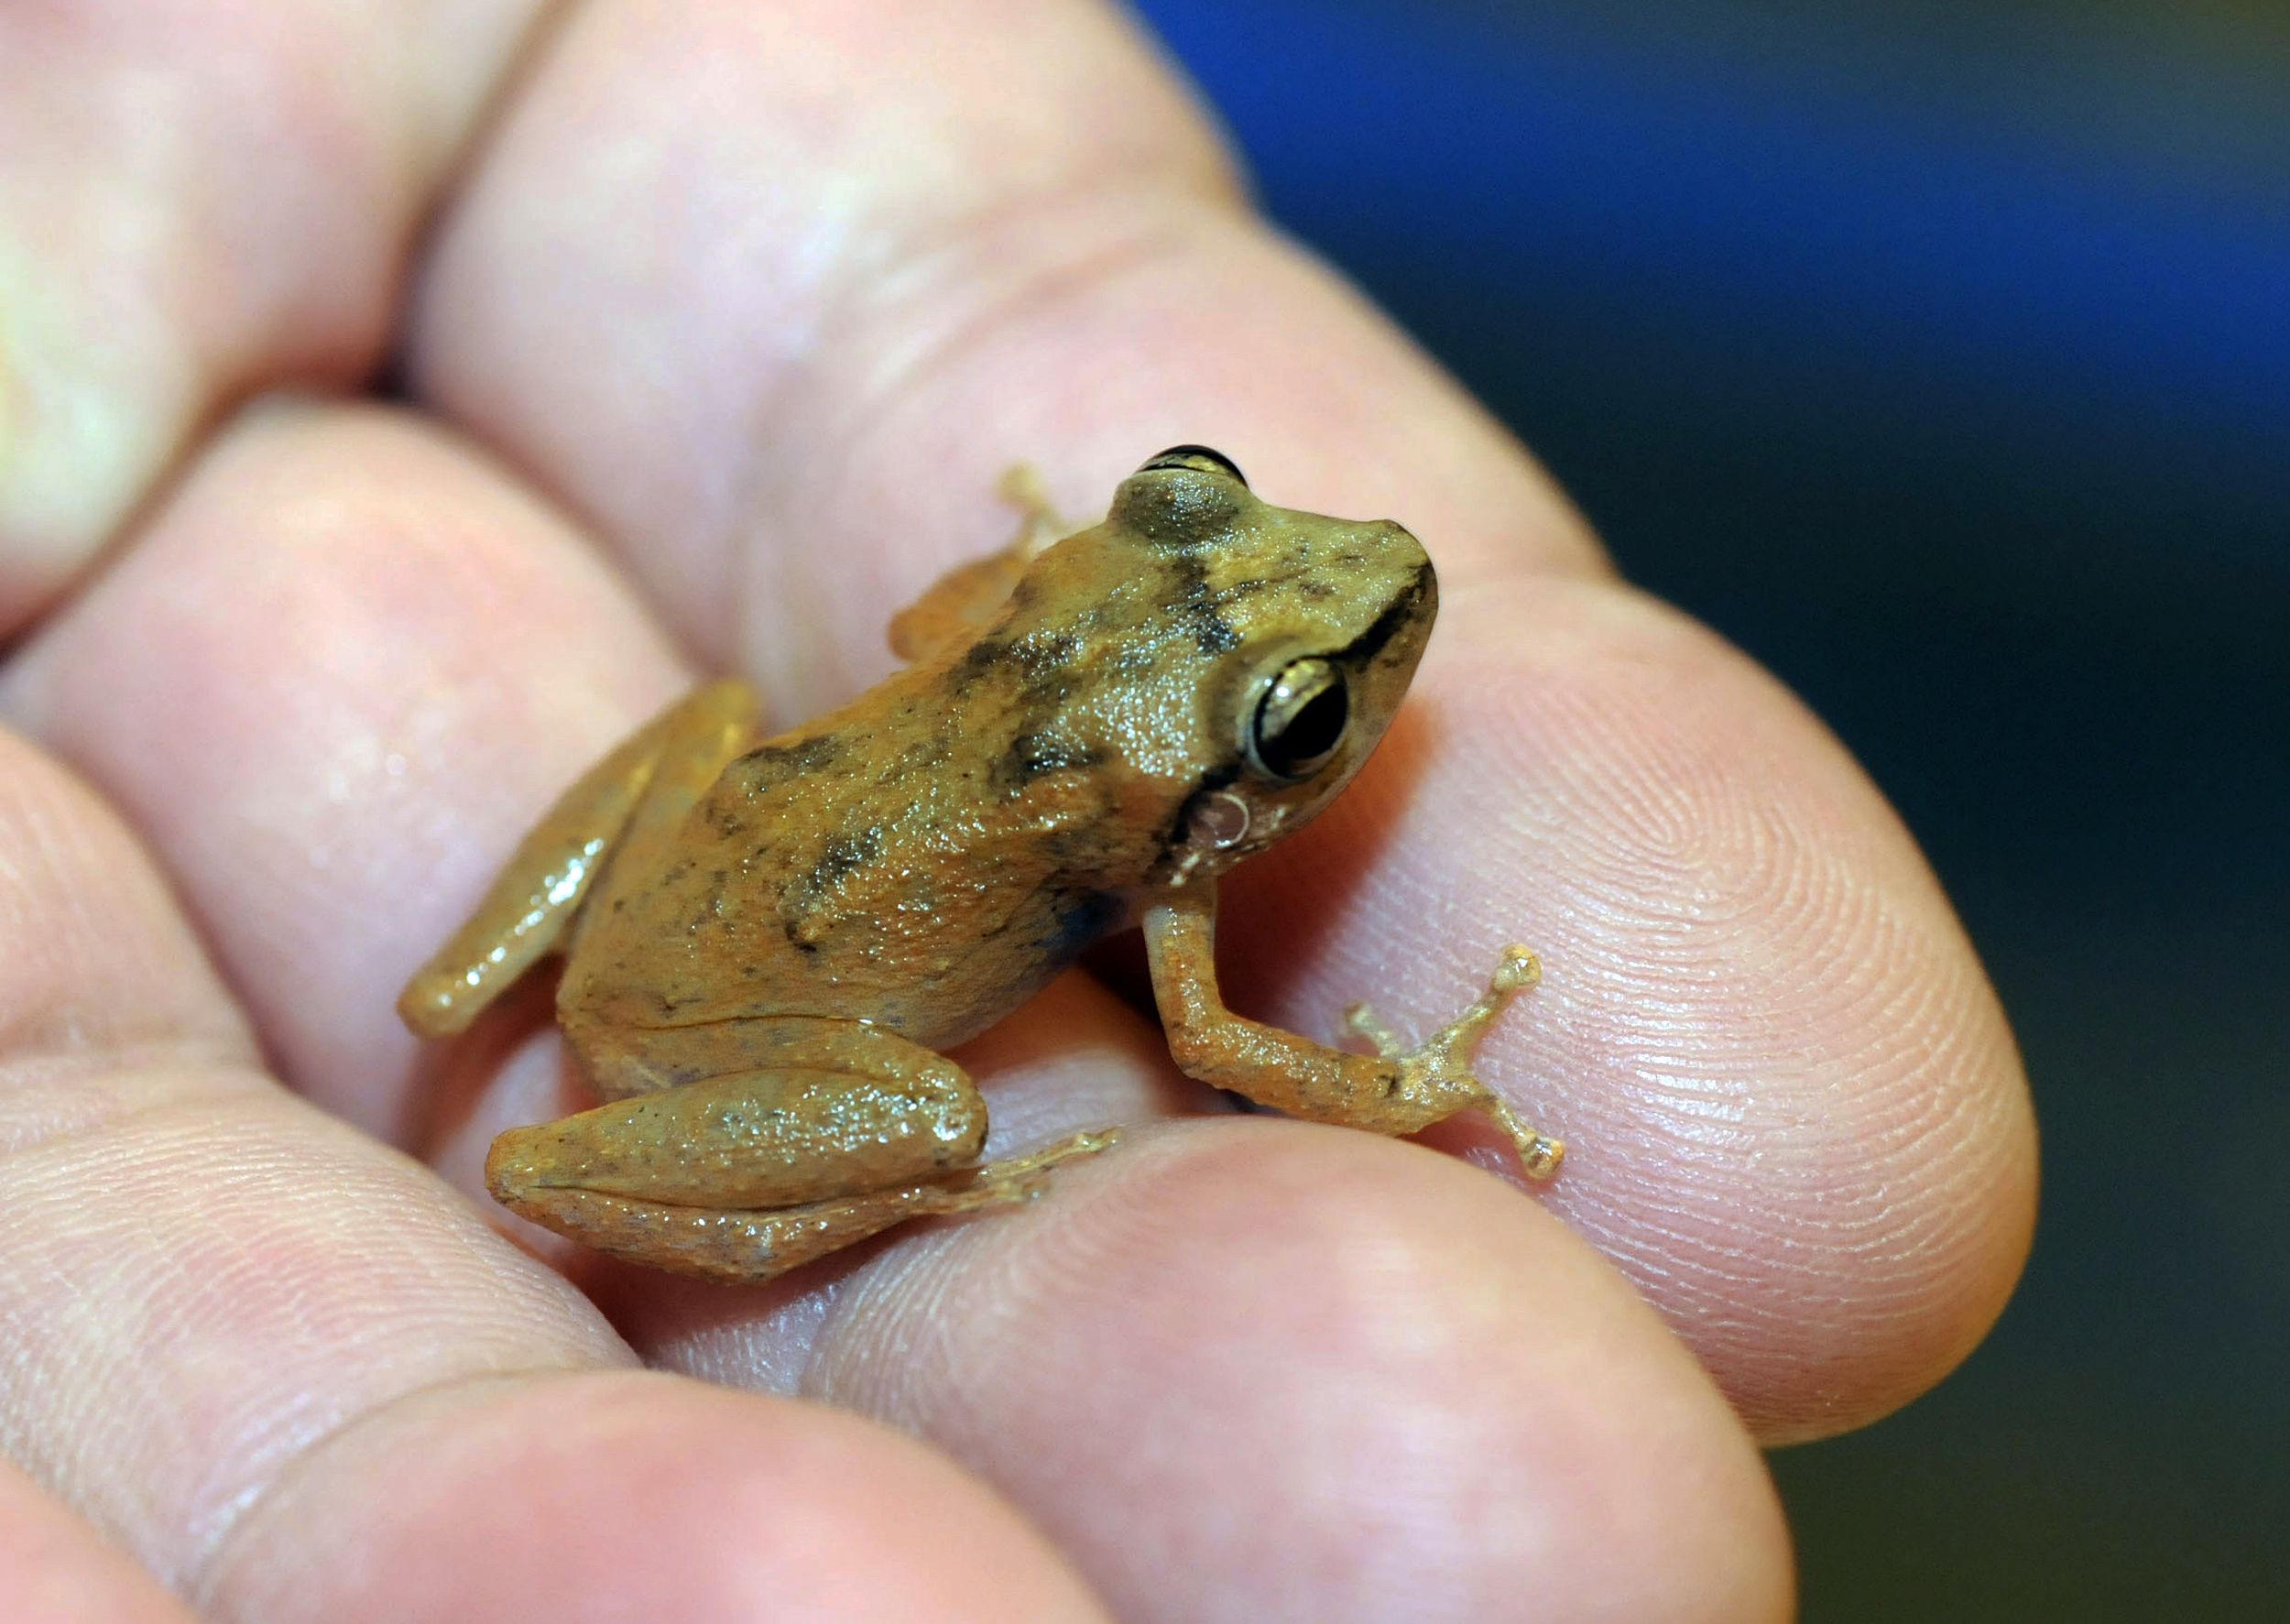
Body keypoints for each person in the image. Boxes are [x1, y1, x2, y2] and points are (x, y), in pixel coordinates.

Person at [0, 4, 2035, 1619]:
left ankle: (486, 991)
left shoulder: (1074, 712)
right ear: (1209, 805)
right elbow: (1227, 1042)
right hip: (703, 1023)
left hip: (732, 849)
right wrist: (1405, 1081)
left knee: (713, 711)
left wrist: (1060, 571)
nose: (1354, 602)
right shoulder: (1163, 865)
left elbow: (928, 616)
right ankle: (767, 1151)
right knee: (951, 1110)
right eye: (1305, 716)